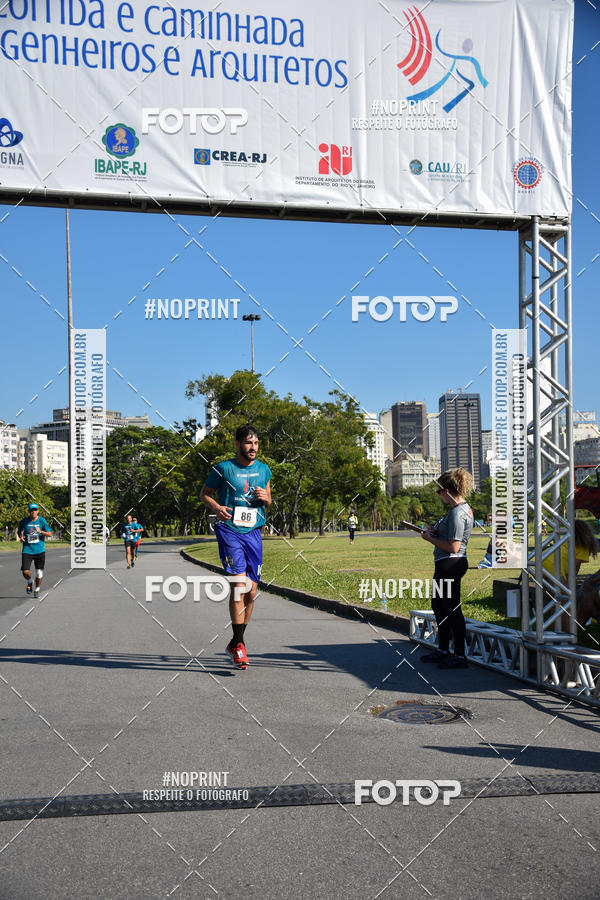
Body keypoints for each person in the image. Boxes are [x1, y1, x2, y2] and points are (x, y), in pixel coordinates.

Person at [200, 424, 272, 670]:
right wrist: (217, 507)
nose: (253, 448)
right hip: (230, 531)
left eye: (256, 443)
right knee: (238, 585)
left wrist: (266, 498)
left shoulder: (264, 470)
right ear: (238, 444)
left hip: (254, 533)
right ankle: (240, 645)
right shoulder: (223, 469)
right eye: (249, 443)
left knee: (252, 592)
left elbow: (269, 499)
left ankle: (235, 641)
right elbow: (205, 493)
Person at [420, 468, 474, 669]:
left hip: (451, 563)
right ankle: (444, 649)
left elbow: (454, 546)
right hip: (447, 564)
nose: (439, 495)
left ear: (448, 490)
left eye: (439, 491)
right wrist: (434, 531)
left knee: (452, 608)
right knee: (440, 606)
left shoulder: (458, 513)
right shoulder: (456, 511)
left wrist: (429, 538)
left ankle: (459, 655)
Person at [542, 519, 597, 632]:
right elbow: (575, 565)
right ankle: (569, 633)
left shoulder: (567, 541)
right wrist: (571, 582)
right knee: (567, 601)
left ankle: (555, 631)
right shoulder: (583, 546)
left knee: (556, 599)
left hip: (543, 561)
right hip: (554, 567)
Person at [17, 502, 52, 598]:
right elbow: (19, 531)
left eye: (35, 510)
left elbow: (50, 534)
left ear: (38, 511)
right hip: (27, 549)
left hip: (40, 550)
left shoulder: (42, 521)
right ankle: (30, 581)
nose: (33, 512)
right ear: (29, 511)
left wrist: (41, 531)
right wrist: (21, 536)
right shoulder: (24, 521)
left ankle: (37, 589)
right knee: (25, 571)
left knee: (39, 572)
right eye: (31, 510)